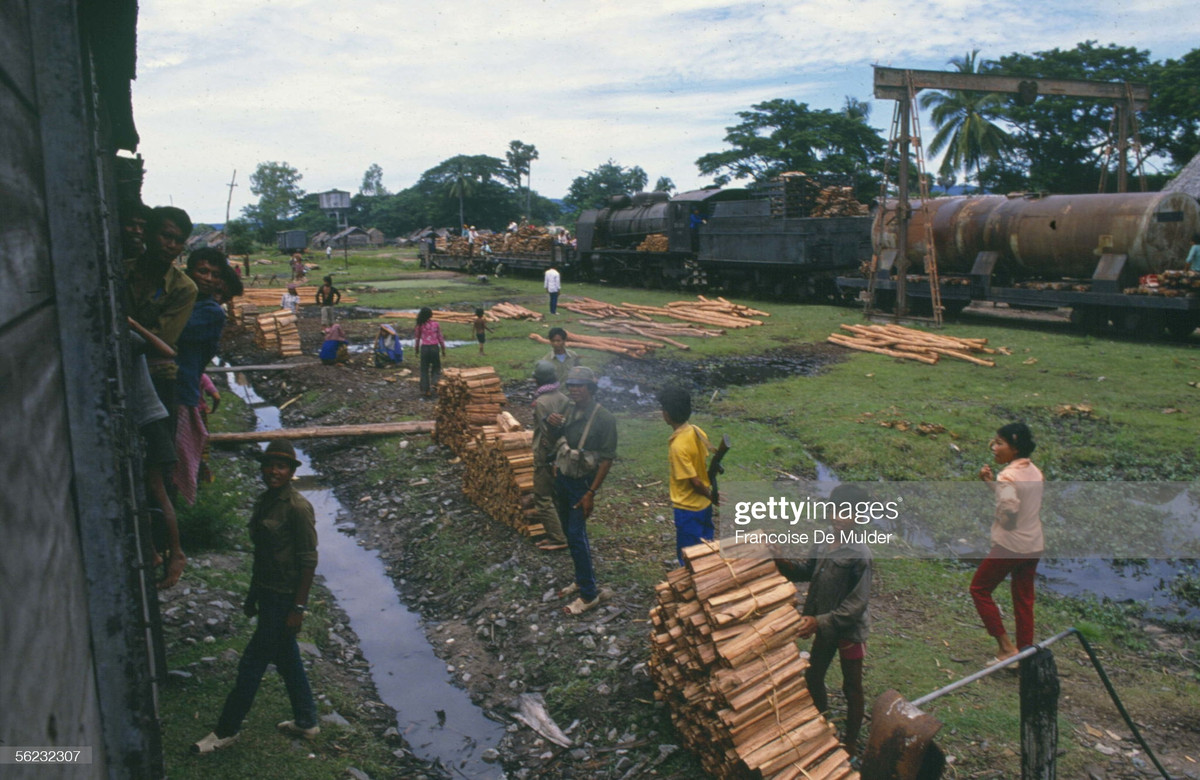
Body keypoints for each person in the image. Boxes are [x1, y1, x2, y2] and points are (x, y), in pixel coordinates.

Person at [192, 441, 320, 753]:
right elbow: (263, 555)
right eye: (270, 465)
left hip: (284, 599)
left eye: (282, 466)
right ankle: (306, 722)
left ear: (291, 472)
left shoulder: (297, 508)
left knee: (251, 663)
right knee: (287, 658)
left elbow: (308, 561)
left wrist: (298, 608)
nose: (274, 471)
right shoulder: (265, 501)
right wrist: (252, 597)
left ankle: (226, 730)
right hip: (266, 594)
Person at [773, 483, 873, 758]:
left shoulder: (860, 554)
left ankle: (850, 742)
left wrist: (819, 621)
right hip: (824, 625)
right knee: (814, 675)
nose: (841, 517)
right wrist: (780, 560)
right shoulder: (824, 540)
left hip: (848, 630)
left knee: (851, 686)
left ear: (859, 517)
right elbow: (807, 571)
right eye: (837, 510)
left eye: (849, 513)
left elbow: (856, 604)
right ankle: (821, 722)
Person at [971, 422, 1044, 663]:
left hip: (1011, 546)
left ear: (1014, 449)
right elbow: (1015, 498)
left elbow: (1011, 508)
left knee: (979, 589)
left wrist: (1006, 521)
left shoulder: (1009, 475)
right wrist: (991, 484)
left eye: (1000, 443)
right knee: (1024, 600)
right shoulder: (1033, 471)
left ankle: (1005, 647)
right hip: (1033, 545)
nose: (994, 447)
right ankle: (1025, 654)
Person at [173, 248, 235, 505]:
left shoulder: (211, 311)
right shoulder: (187, 301)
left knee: (175, 459)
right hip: (177, 387)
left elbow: (172, 332)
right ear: (190, 272)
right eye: (202, 271)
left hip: (181, 390)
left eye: (215, 274)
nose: (208, 278)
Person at [554, 366, 617, 615]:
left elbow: (606, 460)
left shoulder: (604, 418)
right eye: (571, 386)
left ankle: (589, 594)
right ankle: (581, 579)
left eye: (580, 386)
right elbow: (559, 440)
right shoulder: (567, 410)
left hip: (582, 485)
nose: (575, 390)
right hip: (563, 478)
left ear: (591, 388)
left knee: (577, 535)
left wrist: (591, 492)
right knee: (570, 534)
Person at [125, 205, 197, 422]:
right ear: (148, 234)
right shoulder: (119, 271)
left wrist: (129, 325)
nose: (171, 246)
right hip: (120, 367)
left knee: (160, 447)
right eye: (166, 236)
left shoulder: (184, 288)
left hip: (157, 376)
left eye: (179, 241)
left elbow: (162, 342)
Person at [658, 386, 716, 565]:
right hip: (704, 506)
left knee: (689, 557)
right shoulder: (697, 431)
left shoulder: (678, 446)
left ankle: (692, 586)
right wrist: (710, 496)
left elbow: (695, 483)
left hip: (688, 508)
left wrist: (711, 495)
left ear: (667, 414)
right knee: (707, 548)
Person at [531, 361, 570, 552]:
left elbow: (546, 433)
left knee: (542, 497)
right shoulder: (563, 397)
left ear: (537, 380)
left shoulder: (541, 402)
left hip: (545, 455)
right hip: (563, 453)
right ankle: (564, 531)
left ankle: (557, 537)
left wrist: (549, 458)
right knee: (557, 496)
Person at [413, 306, 446, 398]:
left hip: (425, 348)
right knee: (436, 367)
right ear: (430, 315)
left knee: (424, 369)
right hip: (434, 348)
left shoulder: (419, 325)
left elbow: (417, 339)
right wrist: (443, 349)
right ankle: (435, 382)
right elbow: (440, 337)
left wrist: (416, 350)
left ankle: (425, 390)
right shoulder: (435, 324)